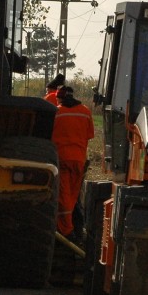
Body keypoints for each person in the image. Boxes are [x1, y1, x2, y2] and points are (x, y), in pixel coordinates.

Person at [51, 85, 94, 240]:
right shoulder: (86, 112)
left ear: (60, 98)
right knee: (74, 196)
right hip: (79, 161)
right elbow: (89, 135)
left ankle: (67, 232)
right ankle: (74, 229)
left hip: (62, 160)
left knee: (64, 197)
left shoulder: (56, 113)